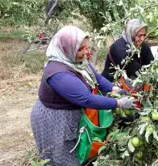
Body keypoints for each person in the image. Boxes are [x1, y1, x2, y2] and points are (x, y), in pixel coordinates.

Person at [30, 26, 135, 166]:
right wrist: (118, 103)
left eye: (86, 47)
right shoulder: (58, 73)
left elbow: (96, 78)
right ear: (66, 49)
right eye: (80, 49)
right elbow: (87, 99)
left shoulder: (78, 62)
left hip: (71, 114)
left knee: (80, 149)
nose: (85, 52)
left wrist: (115, 89)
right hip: (54, 119)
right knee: (61, 156)